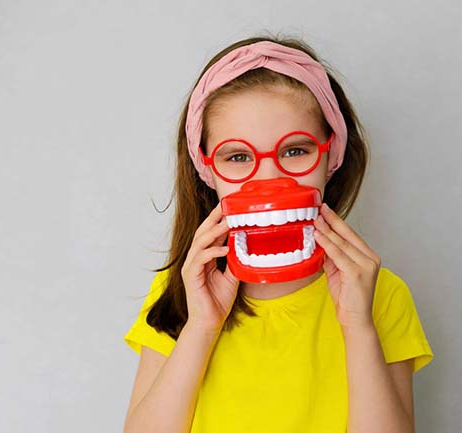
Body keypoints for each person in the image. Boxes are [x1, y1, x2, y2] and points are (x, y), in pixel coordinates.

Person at [122, 35, 434, 433]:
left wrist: (358, 325)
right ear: (208, 171)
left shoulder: (381, 295)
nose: (269, 179)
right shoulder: (180, 292)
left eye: (294, 151)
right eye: (238, 157)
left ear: (331, 154)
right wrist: (201, 326)